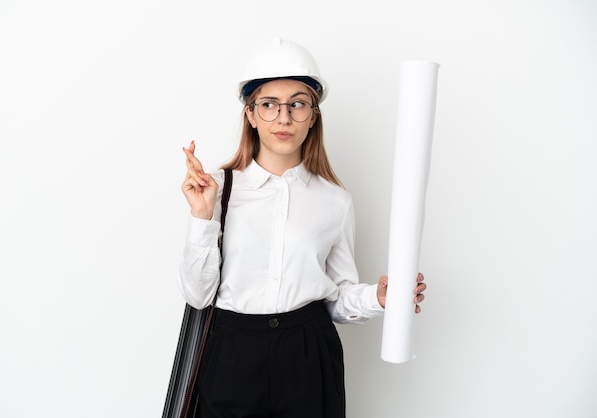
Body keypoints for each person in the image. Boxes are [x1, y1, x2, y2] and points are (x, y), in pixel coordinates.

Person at [179, 37, 427, 418]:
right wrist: (201, 216)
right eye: (269, 105)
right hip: (232, 353)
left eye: (297, 104)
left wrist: (379, 299)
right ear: (250, 114)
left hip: (309, 354)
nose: (283, 118)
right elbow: (199, 297)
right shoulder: (216, 188)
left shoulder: (335, 201)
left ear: (313, 115)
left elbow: (335, 298)